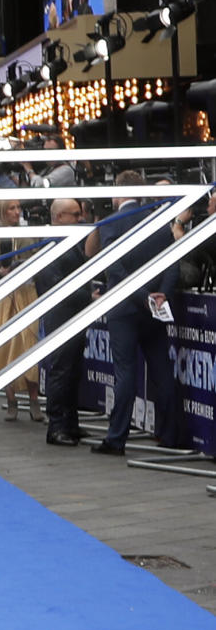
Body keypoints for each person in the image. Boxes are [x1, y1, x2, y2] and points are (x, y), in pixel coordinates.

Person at [91, 171, 190, 454]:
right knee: (162, 371)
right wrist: (161, 297)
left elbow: (116, 268)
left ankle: (116, 438)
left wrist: (144, 297)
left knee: (125, 373)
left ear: (118, 192)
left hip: (125, 309)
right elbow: (172, 264)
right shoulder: (157, 220)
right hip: (154, 312)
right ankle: (171, 435)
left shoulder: (113, 222)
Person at [34, 199, 92, 446]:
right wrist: (89, 295)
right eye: (75, 214)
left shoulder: (69, 242)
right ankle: (56, 426)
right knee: (61, 372)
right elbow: (55, 287)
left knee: (73, 372)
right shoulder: (50, 244)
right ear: (59, 217)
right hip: (60, 316)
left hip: (74, 315)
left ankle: (70, 423)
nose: (80, 218)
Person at [0, 199, 42, 421]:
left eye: (18, 208)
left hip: (26, 293)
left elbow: (40, 261)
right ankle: (11, 400)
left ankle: (34, 400)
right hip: (0, 297)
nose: (16, 212)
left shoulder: (30, 234)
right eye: (11, 208)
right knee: (3, 349)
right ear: (1, 212)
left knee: (29, 344)